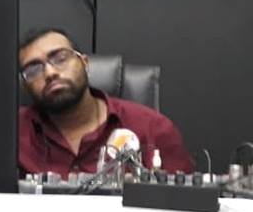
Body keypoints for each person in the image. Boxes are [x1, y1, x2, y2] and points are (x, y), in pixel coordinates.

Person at [18, 27, 192, 177]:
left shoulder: (152, 128)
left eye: (60, 59)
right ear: (25, 85)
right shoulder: (14, 133)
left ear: (84, 63)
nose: (50, 73)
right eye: (33, 69)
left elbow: (183, 200)